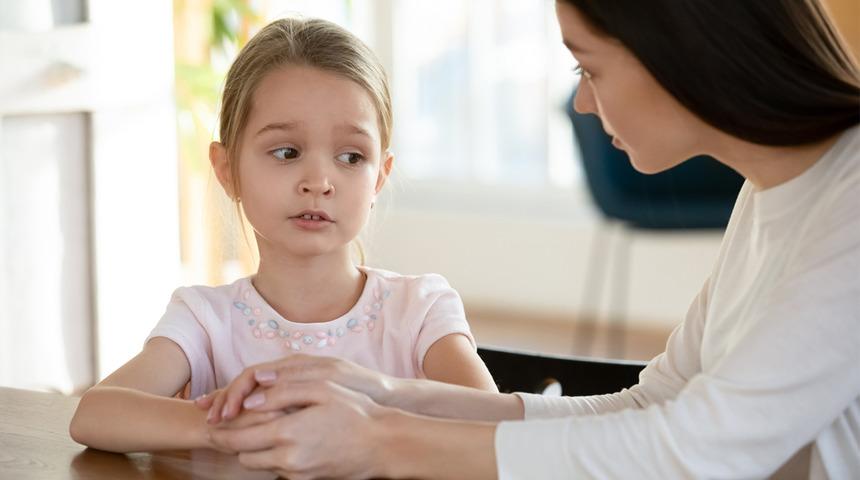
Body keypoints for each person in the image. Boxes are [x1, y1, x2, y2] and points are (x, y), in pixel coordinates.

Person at [195, 0, 860, 478]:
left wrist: (379, 439)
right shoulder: (771, 193)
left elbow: (691, 451)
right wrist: (386, 394)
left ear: (678, 55)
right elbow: (654, 404)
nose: (583, 104)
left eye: (588, 69)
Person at [68, 17, 497, 454]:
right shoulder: (205, 320)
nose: (319, 182)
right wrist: (230, 426)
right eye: (287, 152)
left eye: (351, 157)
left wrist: (371, 419)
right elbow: (95, 414)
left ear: (379, 178)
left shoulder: (419, 311)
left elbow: (498, 428)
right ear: (227, 169)